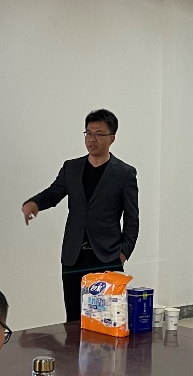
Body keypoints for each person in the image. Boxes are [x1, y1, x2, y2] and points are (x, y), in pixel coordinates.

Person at [22, 108, 139, 322]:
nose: (92, 139)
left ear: (112, 138)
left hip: (107, 256)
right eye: (88, 133)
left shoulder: (124, 173)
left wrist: (123, 253)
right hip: (73, 256)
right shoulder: (71, 168)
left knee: (104, 319)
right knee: (74, 318)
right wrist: (35, 203)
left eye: (99, 134)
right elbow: (54, 193)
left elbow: (132, 218)